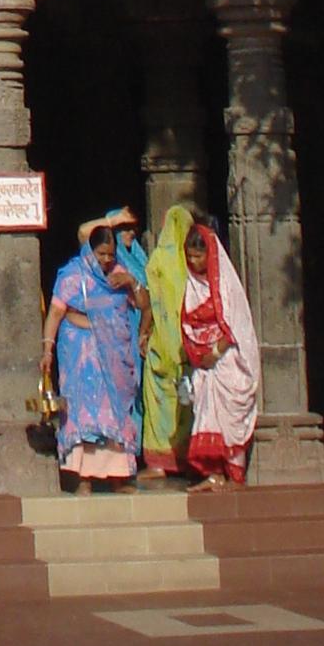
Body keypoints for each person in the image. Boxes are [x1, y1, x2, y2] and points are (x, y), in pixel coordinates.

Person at [41, 219, 149, 491]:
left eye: (111, 255)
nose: (106, 260)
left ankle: (117, 477)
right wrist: (47, 348)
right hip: (80, 350)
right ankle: (84, 478)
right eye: (101, 254)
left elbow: (144, 304)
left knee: (114, 412)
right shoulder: (72, 275)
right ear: (90, 251)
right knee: (82, 411)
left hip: (113, 353)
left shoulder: (120, 273)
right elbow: (56, 312)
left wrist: (132, 282)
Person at [179, 216, 260, 484]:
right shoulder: (191, 286)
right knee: (207, 414)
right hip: (205, 366)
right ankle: (214, 475)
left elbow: (236, 325)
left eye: (198, 256)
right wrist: (202, 353)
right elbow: (187, 322)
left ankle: (234, 475)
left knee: (230, 417)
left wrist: (217, 350)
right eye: (190, 257)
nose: (194, 263)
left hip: (227, 362)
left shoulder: (226, 285)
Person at [140, 204, 194, 477]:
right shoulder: (194, 262)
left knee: (159, 400)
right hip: (186, 345)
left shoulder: (159, 259)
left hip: (161, 342)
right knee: (186, 402)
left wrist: (143, 332)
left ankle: (159, 462)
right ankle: (185, 457)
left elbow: (152, 301)